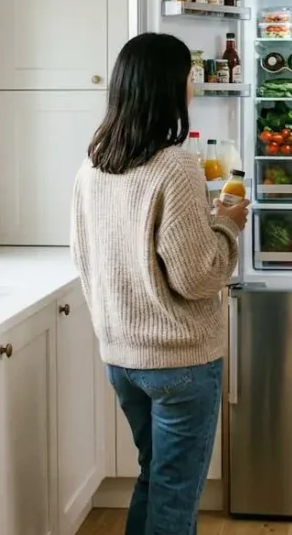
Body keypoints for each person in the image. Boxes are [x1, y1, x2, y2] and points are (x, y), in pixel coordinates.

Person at [71, 32, 250, 535]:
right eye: (190, 77)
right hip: (180, 361)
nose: (193, 85)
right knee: (175, 496)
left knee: (153, 478)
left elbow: (84, 254)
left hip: (122, 358)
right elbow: (197, 277)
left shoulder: (93, 163)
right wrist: (229, 224)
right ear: (170, 87)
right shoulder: (176, 165)